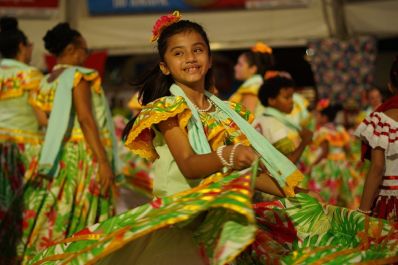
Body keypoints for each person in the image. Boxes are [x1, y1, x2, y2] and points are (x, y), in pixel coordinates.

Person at [27, 12, 398, 265]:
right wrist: (232, 155)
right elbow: (190, 163)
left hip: (227, 211)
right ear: (164, 65)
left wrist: (290, 192)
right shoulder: (165, 109)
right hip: (186, 219)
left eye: (198, 50)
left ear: (208, 57)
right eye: (179, 53)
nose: (190, 58)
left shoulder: (227, 110)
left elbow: (250, 166)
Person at [20, 22, 118, 261]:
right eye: (85, 49)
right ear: (73, 48)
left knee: (55, 209)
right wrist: (104, 162)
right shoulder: (78, 76)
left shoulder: (46, 80)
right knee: (84, 211)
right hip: (82, 154)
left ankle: (48, 255)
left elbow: (43, 120)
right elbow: (86, 119)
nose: (86, 54)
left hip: (56, 155)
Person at [0, 16, 44, 265]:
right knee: (24, 209)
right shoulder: (30, 75)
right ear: (20, 47)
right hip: (24, 149)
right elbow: (41, 115)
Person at [355, 57, 398, 222]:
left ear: (390, 86)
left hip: (391, 203)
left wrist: (363, 212)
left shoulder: (381, 120)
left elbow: (377, 167)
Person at [253, 73, 313, 164]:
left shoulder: (260, 119)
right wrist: (304, 142)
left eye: (292, 97)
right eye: (286, 97)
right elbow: (287, 164)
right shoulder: (275, 124)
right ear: (272, 101)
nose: (291, 101)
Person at [308, 103, 360, 207]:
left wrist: (312, 165)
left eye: (318, 115)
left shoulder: (323, 131)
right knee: (343, 190)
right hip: (342, 163)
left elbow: (325, 152)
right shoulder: (340, 129)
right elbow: (347, 148)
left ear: (325, 117)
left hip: (331, 165)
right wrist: (349, 159)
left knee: (329, 191)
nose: (316, 117)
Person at [229, 42, 274, 116]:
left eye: (240, 64)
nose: (235, 67)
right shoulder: (252, 87)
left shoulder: (251, 90)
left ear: (253, 69)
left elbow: (246, 119)